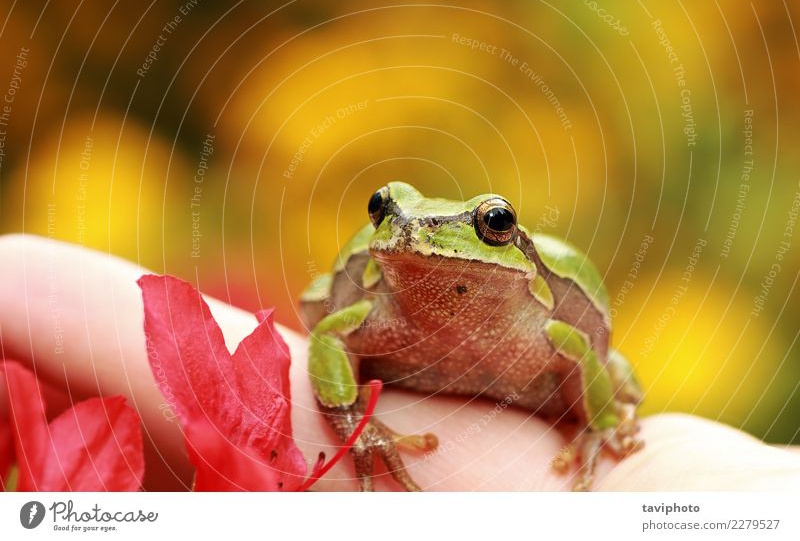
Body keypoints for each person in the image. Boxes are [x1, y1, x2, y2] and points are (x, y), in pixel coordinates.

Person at [0, 234, 798, 491]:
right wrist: (351, 422)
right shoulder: (376, 309)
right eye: (390, 214)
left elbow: (588, 352)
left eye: (486, 223)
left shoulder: (537, 327)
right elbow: (331, 343)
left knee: (616, 381)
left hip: (546, 396)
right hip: (405, 395)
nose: (419, 233)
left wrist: (596, 424)